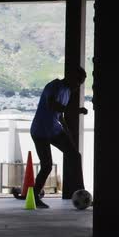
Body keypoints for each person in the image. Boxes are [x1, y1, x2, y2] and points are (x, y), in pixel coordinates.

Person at [30, 68, 88, 208]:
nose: (78, 86)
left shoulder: (67, 92)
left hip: (54, 130)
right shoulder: (54, 86)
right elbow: (53, 105)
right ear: (70, 76)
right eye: (78, 81)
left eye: (81, 83)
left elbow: (60, 117)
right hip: (39, 131)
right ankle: (34, 197)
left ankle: (82, 192)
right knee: (47, 166)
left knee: (75, 156)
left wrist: (67, 134)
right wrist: (76, 110)